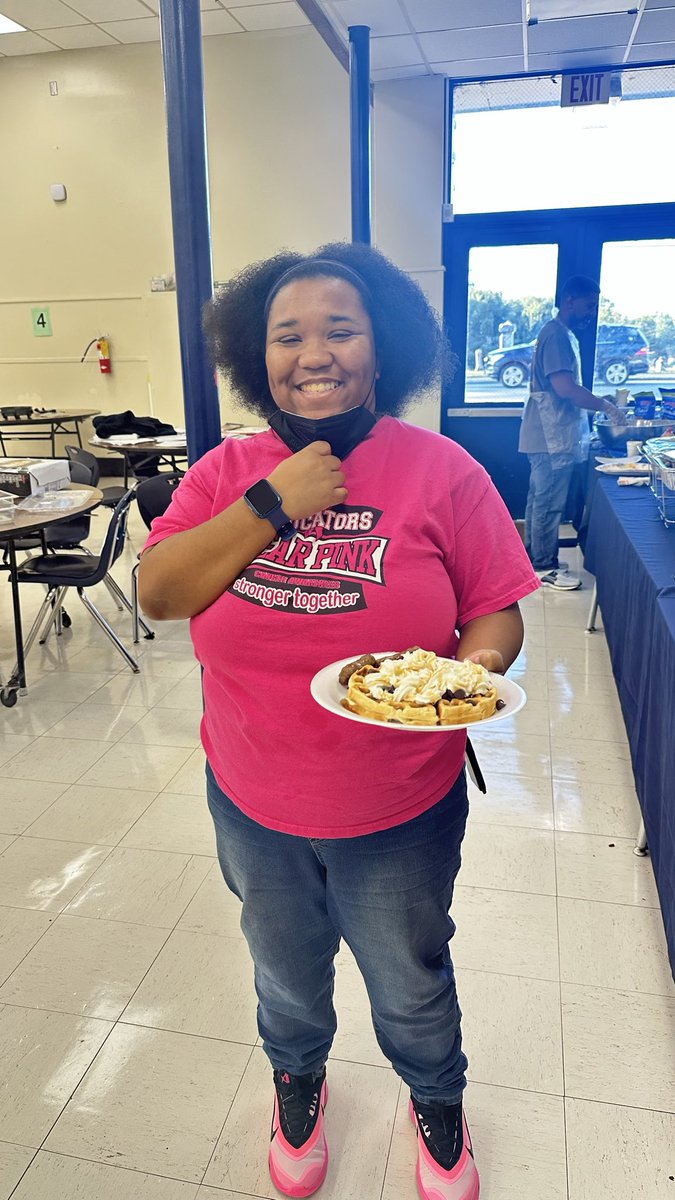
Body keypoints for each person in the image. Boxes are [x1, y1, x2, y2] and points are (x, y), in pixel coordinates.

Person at [138, 242, 539, 1200]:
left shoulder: (440, 469)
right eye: (288, 335)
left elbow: (496, 605)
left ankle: (435, 1099)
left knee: (409, 980)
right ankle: (298, 1082)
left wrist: (470, 669)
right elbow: (159, 590)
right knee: (283, 974)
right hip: (252, 796)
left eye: (340, 330)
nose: (313, 353)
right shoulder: (224, 471)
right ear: (256, 355)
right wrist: (273, 504)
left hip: (398, 805)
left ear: (382, 348)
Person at [518, 275, 623, 591]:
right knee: (548, 501)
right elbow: (565, 389)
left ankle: (535, 558)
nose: (591, 313)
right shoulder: (557, 336)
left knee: (540, 499)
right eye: (589, 305)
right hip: (550, 436)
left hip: (547, 435)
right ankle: (543, 566)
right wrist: (608, 406)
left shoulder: (559, 334)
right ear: (570, 301)